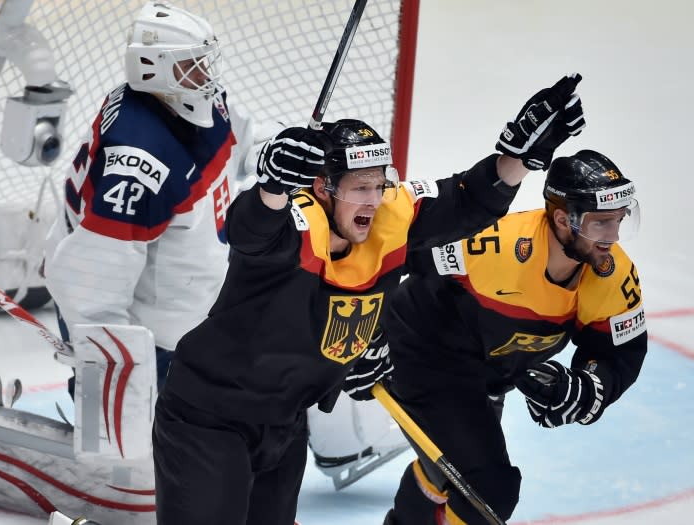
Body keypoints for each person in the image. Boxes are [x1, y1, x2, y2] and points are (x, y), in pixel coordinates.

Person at [152, 72, 586, 525]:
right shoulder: (295, 226)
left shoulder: (388, 218)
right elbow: (248, 232)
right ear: (323, 188)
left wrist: (518, 158)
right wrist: (273, 187)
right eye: (360, 187)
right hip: (209, 418)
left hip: (284, 421)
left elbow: (466, 202)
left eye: (378, 185)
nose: (374, 200)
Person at [381, 149, 647, 524]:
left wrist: (587, 385)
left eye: (619, 221)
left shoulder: (613, 276)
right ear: (561, 219)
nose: (613, 237)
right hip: (425, 352)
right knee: (488, 489)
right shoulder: (493, 246)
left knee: (460, 467)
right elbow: (396, 252)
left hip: (489, 371)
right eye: (601, 223)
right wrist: (355, 326)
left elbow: (619, 354)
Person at [44, 1, 259, 395]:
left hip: (192, 317)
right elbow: (92, 278)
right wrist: (110, 358)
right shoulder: (139, 160)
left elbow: (237, 140)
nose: (204, 74)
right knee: (133, 447)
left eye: (203, 61)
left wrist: (272, 152)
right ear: (153, 67)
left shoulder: (187, 99)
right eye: (191, 64)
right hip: (151, 338)